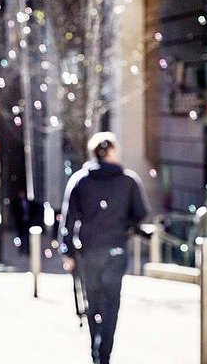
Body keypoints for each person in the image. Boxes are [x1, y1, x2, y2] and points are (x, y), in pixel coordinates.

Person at [59, 132, 148, 364]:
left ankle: (95, 349)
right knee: (111, 303)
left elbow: (67, 220)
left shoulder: (80, 180)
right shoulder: (128, 180)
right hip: (116, 249)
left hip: (89, 251)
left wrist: (67, 252)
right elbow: (140, 214)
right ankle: (103, 353)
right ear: (113, 151)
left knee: (93, 302)